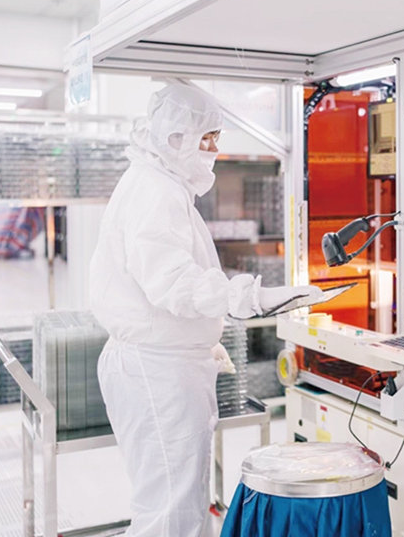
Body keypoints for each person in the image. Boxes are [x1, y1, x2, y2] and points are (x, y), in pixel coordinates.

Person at [89, 84, 318, 537]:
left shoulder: (159, 184)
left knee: (178, 499)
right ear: (175, 138)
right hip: (158, 372)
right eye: (206, 139)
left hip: (163, 363)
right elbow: (172, 280)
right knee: (171, 511)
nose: (214, 150)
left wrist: (200, 340)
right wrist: (247, 297)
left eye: (216, 137)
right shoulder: (155, 191)